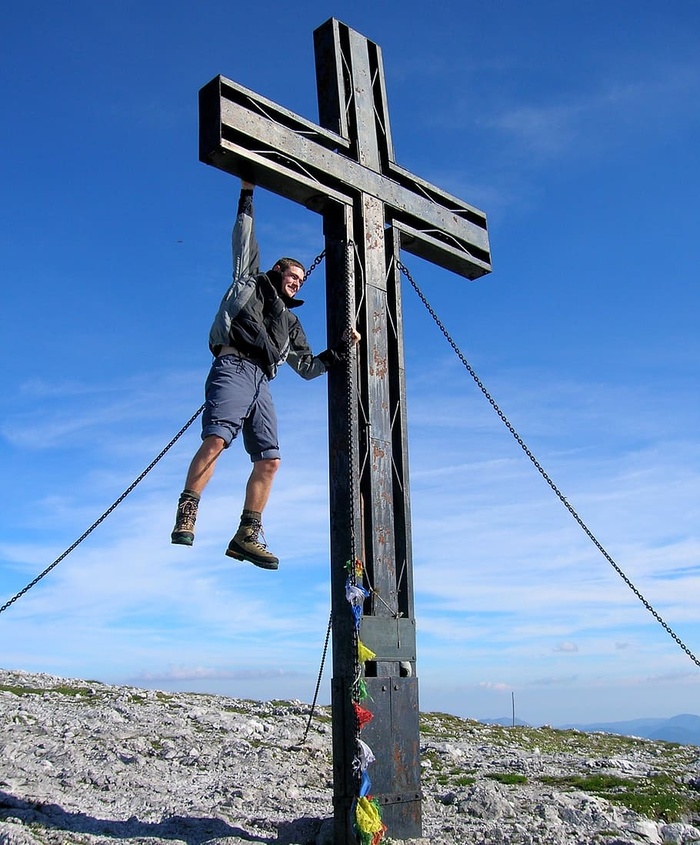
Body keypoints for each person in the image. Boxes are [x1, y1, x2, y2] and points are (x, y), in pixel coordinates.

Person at [171, 180, 359, 570]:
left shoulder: (290, 323)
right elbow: (244, 238)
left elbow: (307, 368)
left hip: (262, 382)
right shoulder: (250, 282)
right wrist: (247, 192)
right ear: (277, 270)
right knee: (218, 438)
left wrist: (343, 348)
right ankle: (188, 510)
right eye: (293, 276)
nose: (297, 282)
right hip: (233, 364)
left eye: (301, 281)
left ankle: (246, 534)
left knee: (270, 460)